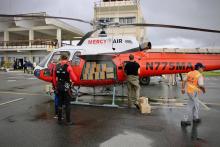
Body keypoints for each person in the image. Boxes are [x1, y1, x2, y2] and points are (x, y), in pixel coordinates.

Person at [53, 54, 77, 125]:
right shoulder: (68, 67)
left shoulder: (56, 66)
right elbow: (75, 79)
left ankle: (59, 119)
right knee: (67, 104)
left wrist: (55, 86)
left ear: (60, 58)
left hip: (58, 86)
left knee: (59, 103)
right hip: (66, 87)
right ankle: (68, 121)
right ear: (67, 58)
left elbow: (54, 79)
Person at [181, 63, 206, 127]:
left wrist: (183, 88)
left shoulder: (190, 73)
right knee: (191, 106)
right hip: (194, 92)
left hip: (189, 91)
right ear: (199, 68)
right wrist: (203, 90)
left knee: (196, 104)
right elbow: (200, 85)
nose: (203, 69)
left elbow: (183, 81)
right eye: (202, 68)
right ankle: (185, 120)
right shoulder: (199, 75)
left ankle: (195, 118)